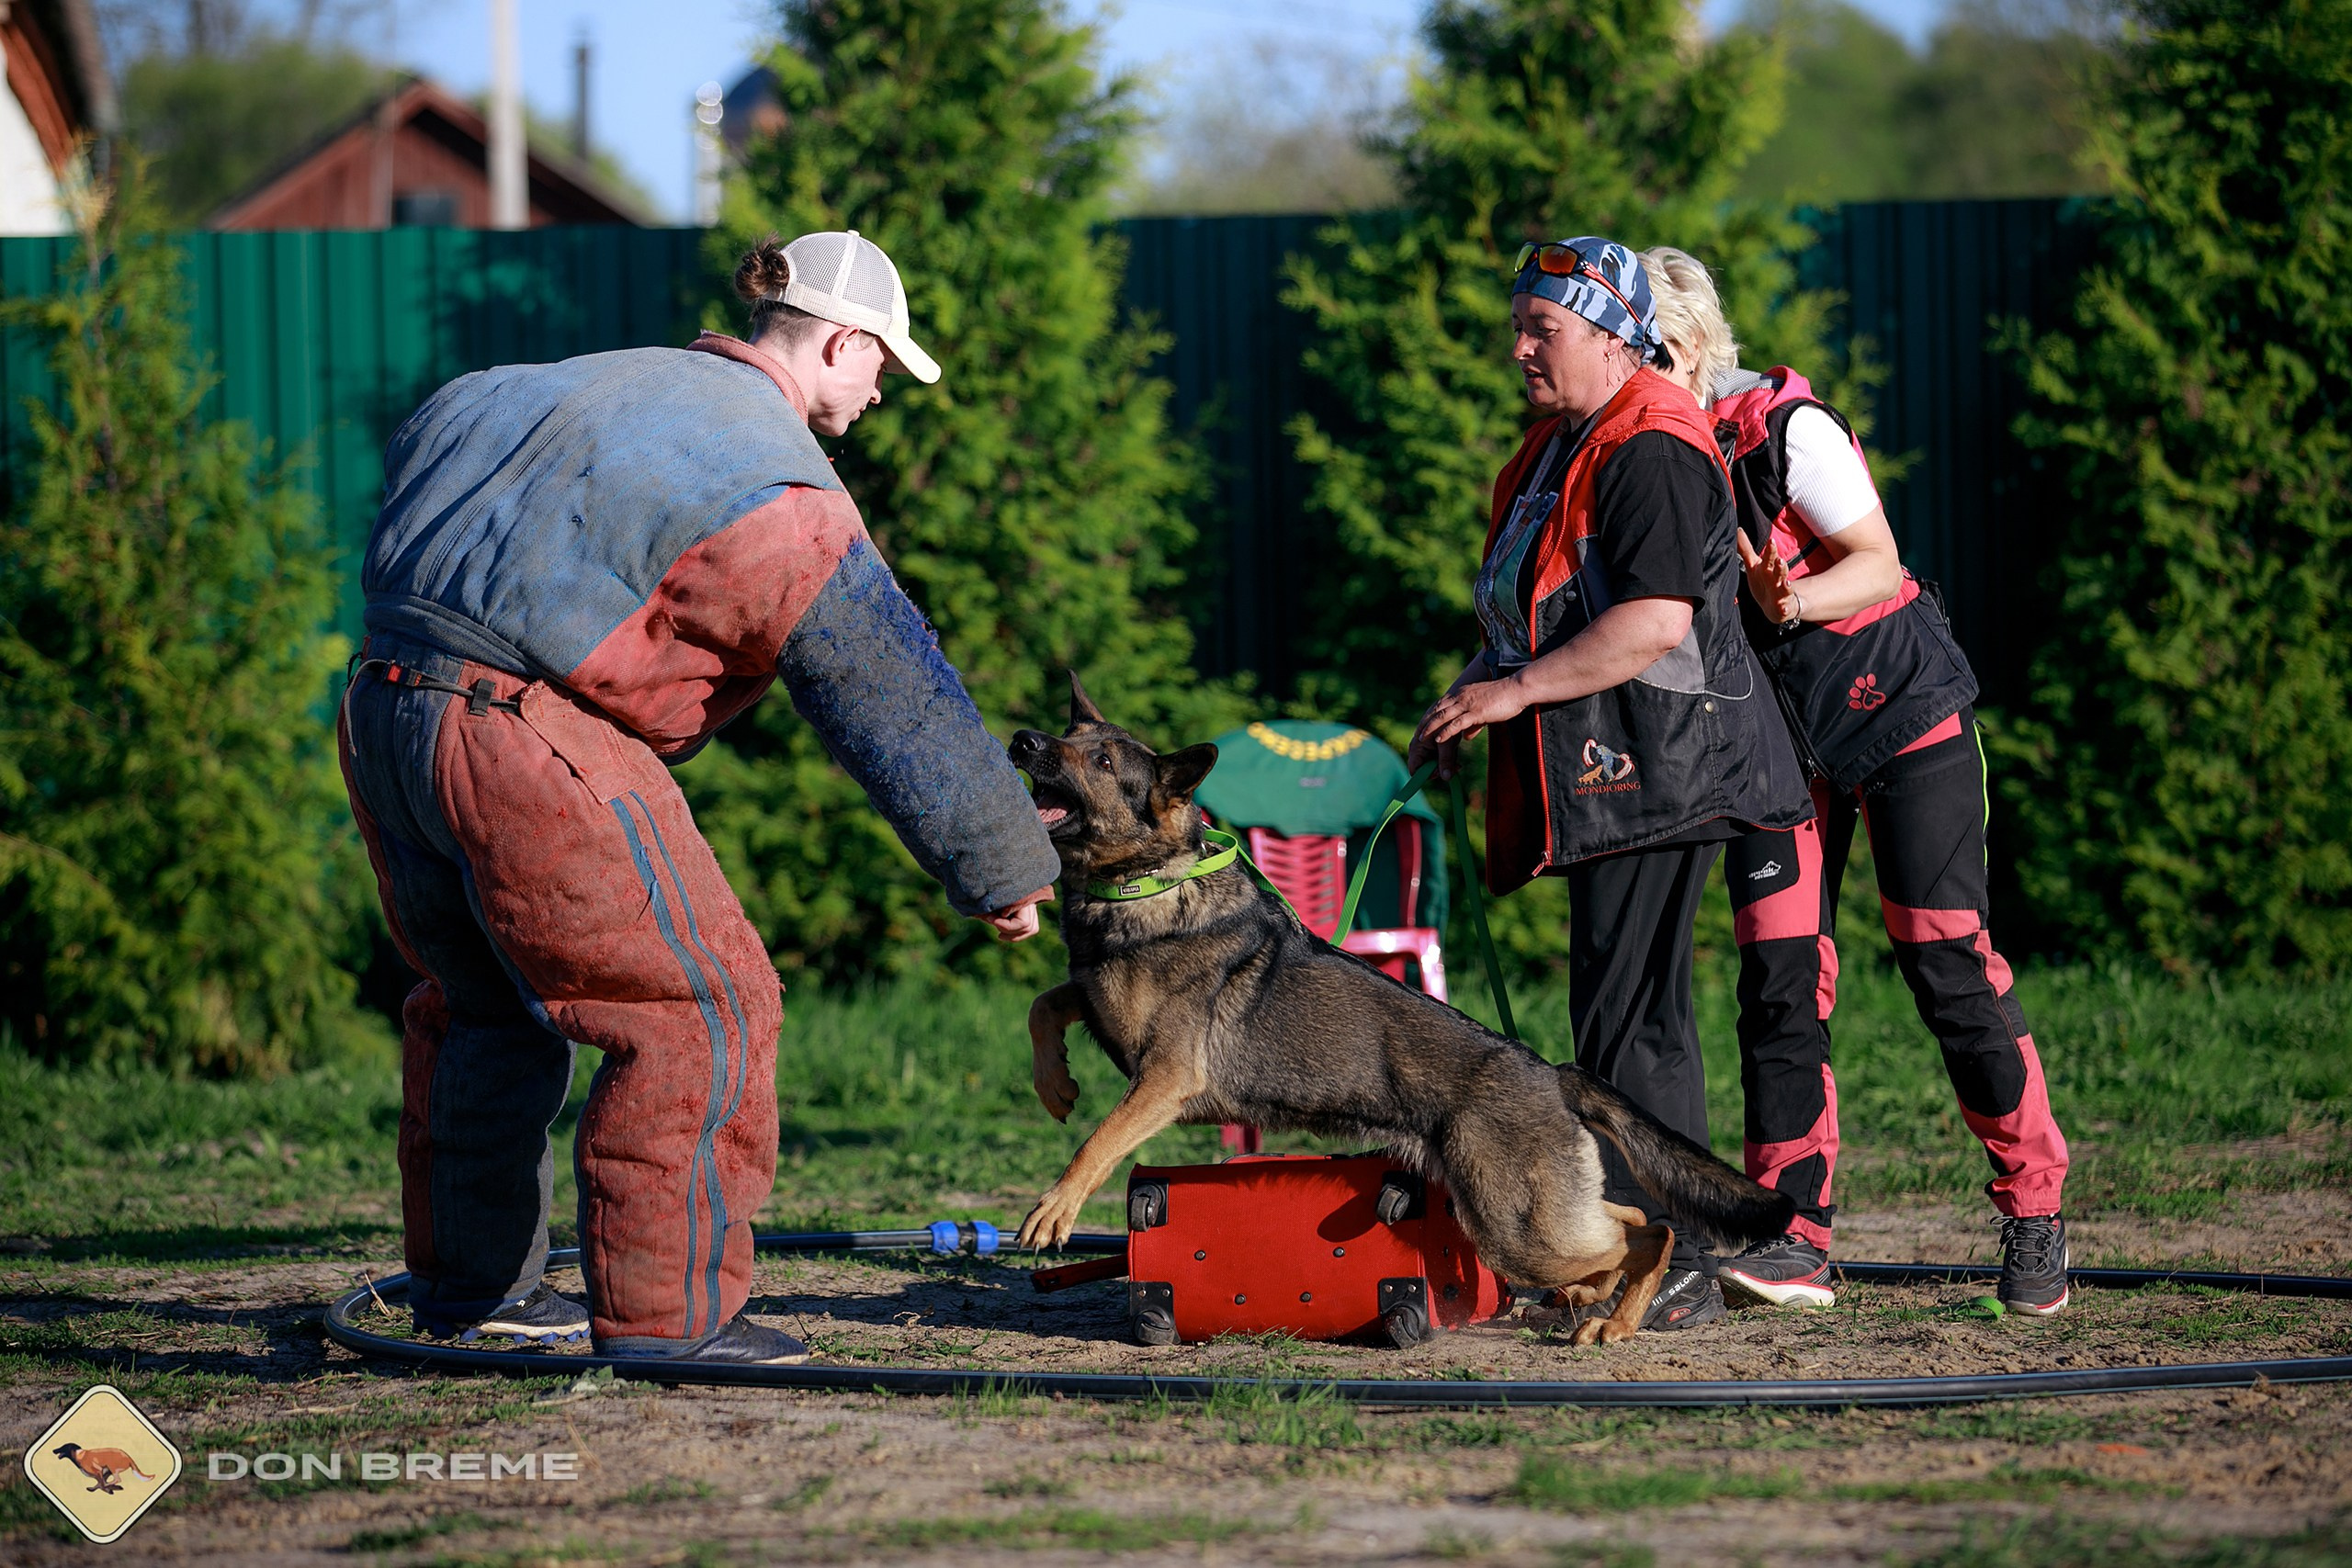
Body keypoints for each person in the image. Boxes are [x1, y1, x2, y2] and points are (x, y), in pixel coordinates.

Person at [340, 231, 1059, 1365]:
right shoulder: (773, 482)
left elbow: (420, 465)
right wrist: (1001, 863)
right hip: (527, 733)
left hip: (383, 708)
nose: (880, 394)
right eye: (883, 368)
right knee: (697, 1010)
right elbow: (889, 693)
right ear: (842, 342)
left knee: (484, 1009)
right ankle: (672, 1323)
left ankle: (470, 1295)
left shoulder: (525, 389)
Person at [1638, 245, 2072, 1315]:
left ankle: (2034, 1210)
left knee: (1944, 962)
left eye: (1640, 350)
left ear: (1689, 346)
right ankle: (1792, 1236)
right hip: (1781, 750)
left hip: (1900, 712)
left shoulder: (1789, 429)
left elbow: (1878, 564)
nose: (1627, 373)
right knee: (1778, 979)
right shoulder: (1648, 453)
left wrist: (1796, 600)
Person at [1407, 237, 1810, 1332]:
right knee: (1617, 1013)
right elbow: (1536, 607)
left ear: (1614, 337)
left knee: (1635, 1027)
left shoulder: (1656, 445)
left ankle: (1673, 1263)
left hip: (1668, 768)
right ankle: (1648, 1250)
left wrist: (1516, 692)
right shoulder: (1564, 443)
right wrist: (1475, 690)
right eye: (1518, 325)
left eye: (1543, 328)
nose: (1519, 347)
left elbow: (1653, 620)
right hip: (1612, 770)